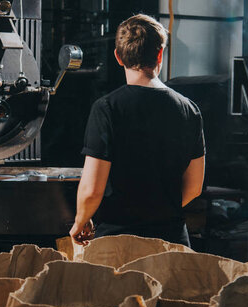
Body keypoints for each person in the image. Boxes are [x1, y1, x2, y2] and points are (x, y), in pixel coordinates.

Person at [70, 14, 206, 246]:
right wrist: (158, 209)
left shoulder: (107, 108)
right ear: (160, 54)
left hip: (118, 242)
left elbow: (93, 189)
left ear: (118, 57)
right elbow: (194, 187)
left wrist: (80, 222)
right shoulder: (189, 109)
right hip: (172, 242)